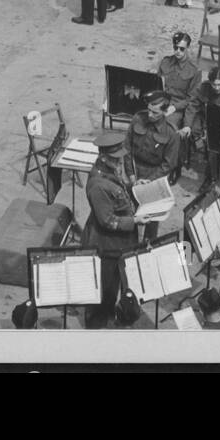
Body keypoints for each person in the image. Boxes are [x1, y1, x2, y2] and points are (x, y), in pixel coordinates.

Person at [82, 130, 144, 329]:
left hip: (118, 244)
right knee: (103, 291)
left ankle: (108, 317)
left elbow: (119, 189)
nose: (120, 162)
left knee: (112, 288)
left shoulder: (109, 170)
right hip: (106, 246)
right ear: (103, 156)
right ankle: (96, 328)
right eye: (115, 159)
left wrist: (134, 186)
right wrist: (135, 221)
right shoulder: (97, 185)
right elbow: (107, 221)